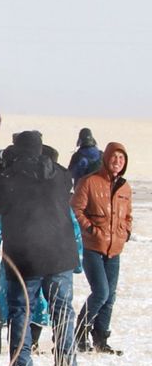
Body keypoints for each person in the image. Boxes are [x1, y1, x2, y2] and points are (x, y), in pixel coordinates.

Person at [0, 130, 80, 366]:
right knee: (62, 311)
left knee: (20, 312)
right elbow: (67, 180)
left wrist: (0, 167)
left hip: (24, 257)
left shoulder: (8, 177)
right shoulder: (59, 174)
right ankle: (66, 365)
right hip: (60, 255)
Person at [72, 141, 131, 354]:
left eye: (121, 158)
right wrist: (90, 229)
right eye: (114, 157)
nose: (117, 161)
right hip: (93, 247)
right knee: (101, 292)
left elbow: (127, 215)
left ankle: (100, 339)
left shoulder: (125, 187)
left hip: (115, 249)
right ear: (106, 158)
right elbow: (76, 209)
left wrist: (126, 231)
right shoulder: (89, 182)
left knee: (110, 296)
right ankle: (79, 332)